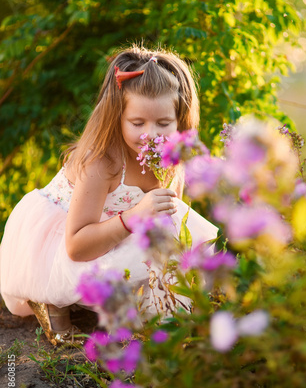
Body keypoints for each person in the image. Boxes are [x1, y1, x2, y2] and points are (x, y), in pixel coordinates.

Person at [0, 46, 218, 346]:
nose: (151, 135)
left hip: (115, 235)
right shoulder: (102, 162)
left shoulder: (171, 160)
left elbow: (171, 231)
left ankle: (163, 318)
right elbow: (76, 246)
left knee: (180, 235)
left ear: (179, 119)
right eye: (137, 123)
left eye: (164, 124)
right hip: (65, 243)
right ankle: (53, 299)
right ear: (117, 117)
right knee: (78, 277)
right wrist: (132, 218)